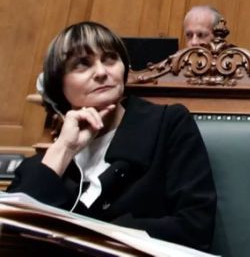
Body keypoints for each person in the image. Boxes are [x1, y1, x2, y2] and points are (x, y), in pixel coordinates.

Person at [9, 21, 216, 251]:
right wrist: (64, 149)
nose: (101, 72)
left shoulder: (167, 124)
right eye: (82, 64)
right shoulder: (42, 164)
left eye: (110, 59)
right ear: (59, 85)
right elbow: (14, 236)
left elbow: (196, 225)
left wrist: (106, 236)